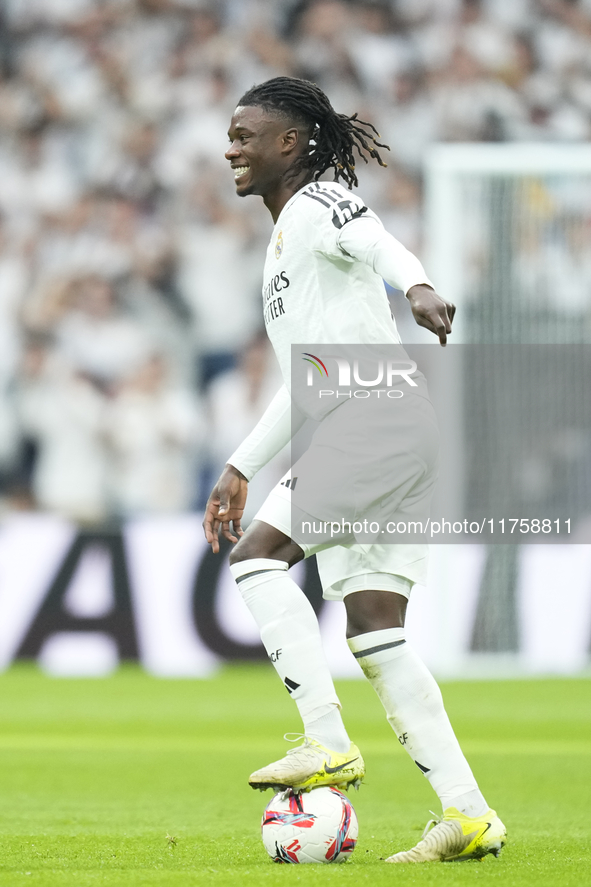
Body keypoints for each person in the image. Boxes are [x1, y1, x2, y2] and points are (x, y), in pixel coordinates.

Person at [202, 76, 506, 864]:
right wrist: (241, 463)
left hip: (374, 420)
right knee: (378, 632)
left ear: (290, 144)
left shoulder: (317, 204)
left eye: (246, 134)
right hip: (385, 422)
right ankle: (466, 814)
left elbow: (378, 240)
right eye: (230, 134)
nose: (231, 147)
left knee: (259, 559)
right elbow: (308, 381)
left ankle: (324, 740)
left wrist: (417, 285)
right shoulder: (283, 242)